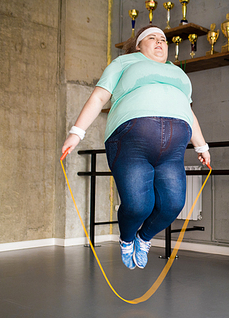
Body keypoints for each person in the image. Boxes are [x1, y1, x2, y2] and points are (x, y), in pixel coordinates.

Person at [61, 25, 210, 270]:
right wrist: (76, 133)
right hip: (130, 143)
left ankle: (144, 238)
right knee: (138, 205)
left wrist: (201, 146)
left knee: (173, 203)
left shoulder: (179, 74)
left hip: (173, 150)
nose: (160, 42)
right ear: (139, 45)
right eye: (152, 38)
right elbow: (99, 97)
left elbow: (188, 111)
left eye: (163, 39)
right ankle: (127, 238)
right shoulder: (124, 63)